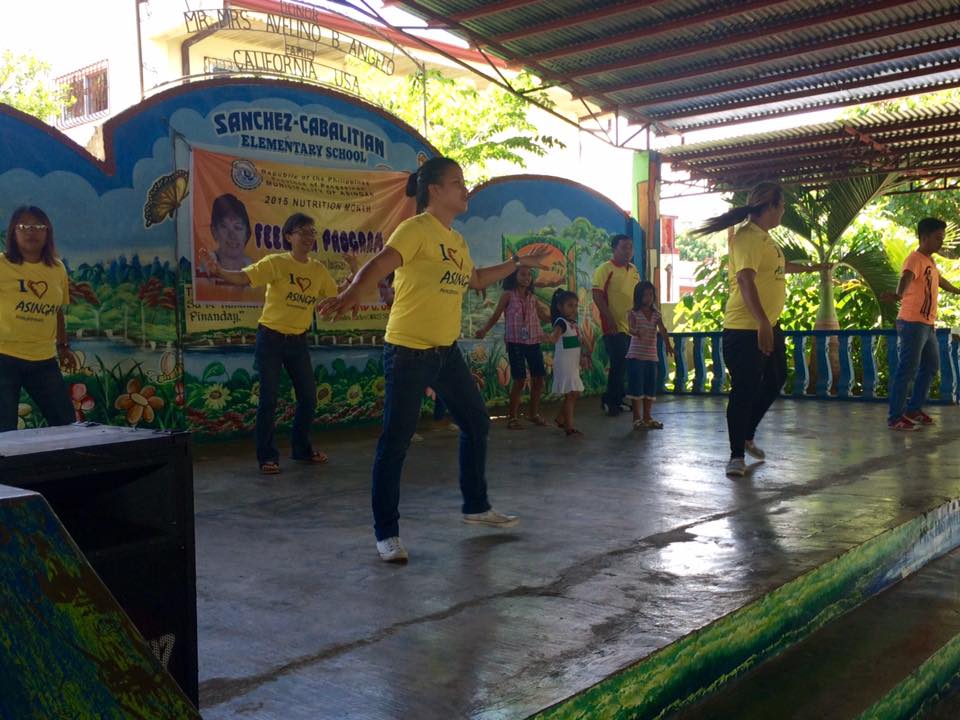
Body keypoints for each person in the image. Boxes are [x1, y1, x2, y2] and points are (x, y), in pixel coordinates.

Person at [318, 156, 550, 563]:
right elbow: (380, 264)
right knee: (396, 441)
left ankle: (476, 507)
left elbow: (475, 280)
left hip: (445, 353)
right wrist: (353, 293)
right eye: (457, 183)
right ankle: (386, 533)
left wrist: (516, 263)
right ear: (435, 191)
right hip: (408, 351)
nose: (465, 189)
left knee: (476, 421)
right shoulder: (415, 229)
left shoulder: (455, 241)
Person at [694, 183, 830, 477]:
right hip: (745, 329)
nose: (784, 212)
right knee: (744, 389)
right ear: (771, 206)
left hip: (767, 325)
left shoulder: (766, 240)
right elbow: (745, 279)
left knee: (776, 378)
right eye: (782, 207)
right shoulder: (747, 238)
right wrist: (762, 322)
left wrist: (811, 268)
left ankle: (746, 434)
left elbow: (778, 268)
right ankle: (735, 455)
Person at [202, 212, 338, 474]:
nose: (309, 237)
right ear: (289, 236)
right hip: (271, 339)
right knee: (269, 399)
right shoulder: (276, 263)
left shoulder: (318, 270)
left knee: (309, 397)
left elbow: (335, 296)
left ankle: (301, 449)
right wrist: (218, 270)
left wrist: (355, 272)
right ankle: (267, 456)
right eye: (303, 232)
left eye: (312, 232)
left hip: (298, 341)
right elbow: (243, 277)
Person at [0, 206, 75, 432]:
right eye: (24, 226)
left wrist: (63, 347)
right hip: (4, 358)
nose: (31, 232)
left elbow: (58, 311)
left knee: (66, 423)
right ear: (13, 232)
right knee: (4, 430)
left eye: (38, 226)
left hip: (43, 360)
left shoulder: (57, 268)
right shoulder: (2, 264)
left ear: (47, 232)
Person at [886, 218, 960, 430]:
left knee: (930, 366)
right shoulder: (914, 259)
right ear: (924, 237)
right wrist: (899, 294)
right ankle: (895, 417)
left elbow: (940, 280)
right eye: (938, 238)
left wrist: (957, 290)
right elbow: (906, 277)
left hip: (927, 324)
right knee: (907, 369)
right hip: (912, 322)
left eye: (942, 238)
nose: (941, 243)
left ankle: (913, 409)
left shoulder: (930, 262)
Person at [475, 266, 551, 428]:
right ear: (514, 276)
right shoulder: (508, 295)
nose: (527, 278)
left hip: (534, 342)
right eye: (523, 274)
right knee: (519, 380)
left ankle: (533, 414)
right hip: (516, 342)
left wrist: (559, 316)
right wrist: (484, 330)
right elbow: (496, 315)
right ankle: (512, 417)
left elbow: (543, 316)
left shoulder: (532, 297)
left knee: (539, 379)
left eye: (529, 275)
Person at [593, 234, 640, 416]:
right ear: (614, 249)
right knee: (618, 361)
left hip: (630, 325)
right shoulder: (605, 269)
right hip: (612, 326)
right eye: (624, 247)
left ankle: (618, 398)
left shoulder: (634, 270)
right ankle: (610, 401)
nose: (628, 250)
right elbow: (597, 295)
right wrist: (609, 318)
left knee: (625, 364)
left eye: (630, 247)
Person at [626, 280, 674, 430]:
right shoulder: (633, 313)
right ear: (638, 297)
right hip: (636, 356)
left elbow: (663, 329)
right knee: (636, 387)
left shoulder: (656, 314)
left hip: (651, 356)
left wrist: (668, 344)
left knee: (650, 387)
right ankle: (637, 418)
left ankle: (647, 417)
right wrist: (635, 332)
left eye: (651, 294)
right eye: (644, 295)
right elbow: (630, 328)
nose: (648, 298)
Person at [547, 289, 586, 437]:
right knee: (571, 394)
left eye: (576, 306)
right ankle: (569, 427)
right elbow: (554, 337)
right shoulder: (561, 322)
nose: (574, 309)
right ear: (560, 307)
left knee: (574, 393)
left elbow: (576, 342)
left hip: (573, 364)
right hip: (564, 364)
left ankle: (561, 418)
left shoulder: (573, 323)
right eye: (570, 305)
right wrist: (544, 337)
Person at [210, 193, 253, 270]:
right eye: (224, 227)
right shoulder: (205, 268)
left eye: (238, 227)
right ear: (214, 232)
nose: (232, 235)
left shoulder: (254, 268)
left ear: (247, 233)